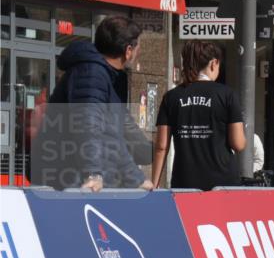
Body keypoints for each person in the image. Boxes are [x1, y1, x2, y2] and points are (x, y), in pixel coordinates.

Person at [33, 16, 153, 191]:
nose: (139, 52)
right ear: (128, 51)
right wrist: (94, 174)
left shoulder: (108, 77)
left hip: (85, 182)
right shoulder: (91, 73)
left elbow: (121, 129)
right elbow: (87, 125)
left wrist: (152, 151)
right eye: (138, 47)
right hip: (73, 183)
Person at [151, 41, 246, 190]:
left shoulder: (171, 97)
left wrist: (154, 185)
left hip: (185, 180)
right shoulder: (227, 95)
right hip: (224, 182)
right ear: (214, 63)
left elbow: (162, 147)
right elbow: (238, 144)